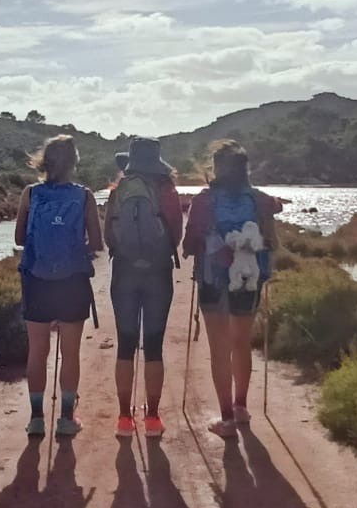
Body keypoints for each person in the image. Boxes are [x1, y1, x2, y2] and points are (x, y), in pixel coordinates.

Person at [182, 140, 280, 437]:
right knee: (241, 342)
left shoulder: (204, 201)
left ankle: (226, 420)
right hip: (249, 278)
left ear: (215, 168)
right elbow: (272, 235)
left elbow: (189, 245)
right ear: (245, 168)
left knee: (219, 348)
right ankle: (241, 407)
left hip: (212, 279)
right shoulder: (259, 200)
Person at [14, 133, 102, 437]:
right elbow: (97, 243)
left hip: (36, 280)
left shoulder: (30, 194)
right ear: (73, 162)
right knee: (70, 352)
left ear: (44, 162)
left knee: (37, 351)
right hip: (73, 281)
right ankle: (66, 418)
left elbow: (19, 239)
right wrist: (74, 247)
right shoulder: (84, 196)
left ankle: (36, 418)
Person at [101, 136, 183, 438]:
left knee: (125, 344)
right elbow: (176, 236)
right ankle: (152, 418)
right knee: (154, 345)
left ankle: (124, 418)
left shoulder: (118, 190)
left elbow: (109, 236)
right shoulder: (167, 191)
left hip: (124, 272)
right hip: (158, 273)